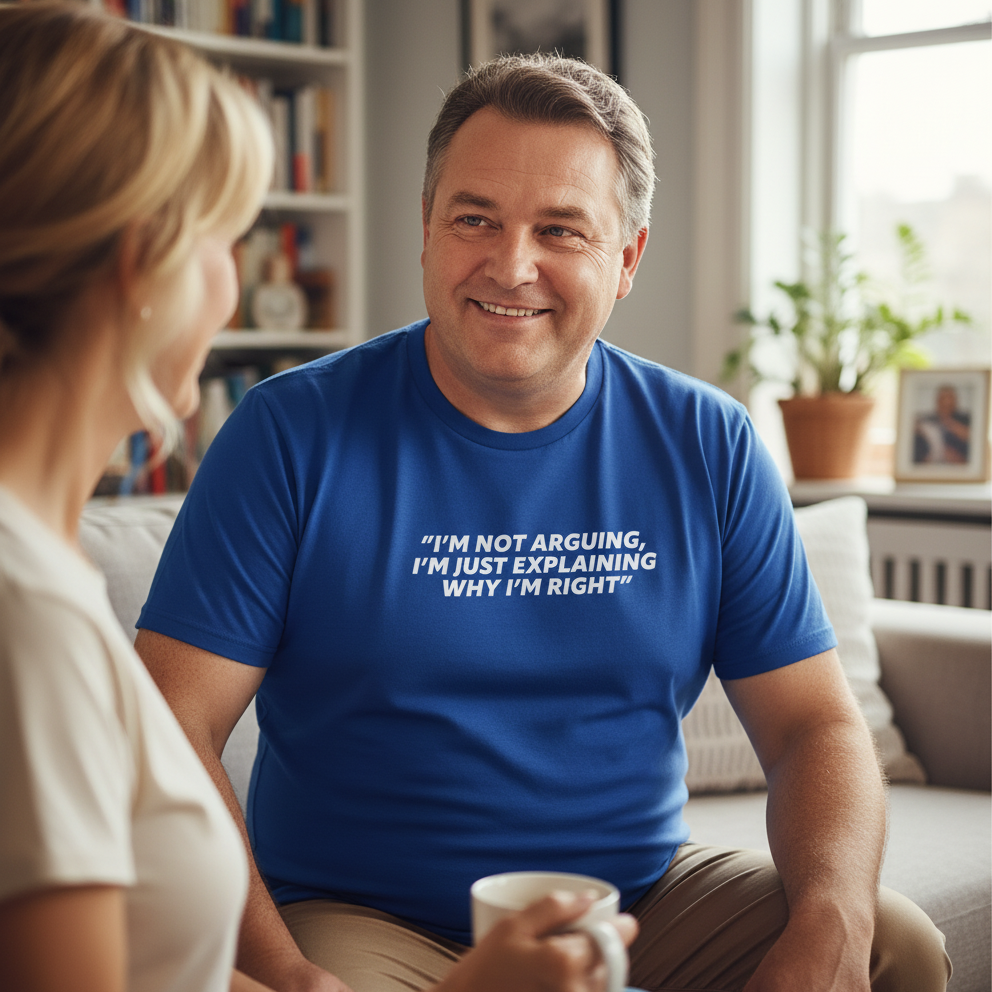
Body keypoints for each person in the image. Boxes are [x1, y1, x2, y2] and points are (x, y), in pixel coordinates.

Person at [134, 53, 952, 992]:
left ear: (628, 258)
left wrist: (833, 926)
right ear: (428, 230)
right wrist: (280, 971)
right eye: (474, 218)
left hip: (638, 903)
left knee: (897, 948)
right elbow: (170, 724)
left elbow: (813, 725)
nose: (510, 264)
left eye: (561, 229)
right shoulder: (289, 434)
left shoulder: (709, 442)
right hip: (363, 917)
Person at [0, 9, 635, 992]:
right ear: (141, 265)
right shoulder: (25, 614)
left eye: (557, 229)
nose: (233, 286)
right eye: (226, 238)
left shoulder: (43, 580)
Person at [913, 384, 971, 465]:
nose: (946, 402)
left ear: (955, 401)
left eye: (949, 398)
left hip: (960, 466)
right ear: (937, 401)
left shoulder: (965, 419)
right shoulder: (926, 419)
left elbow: (972, 438)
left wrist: (948, 422)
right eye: (943, 399)